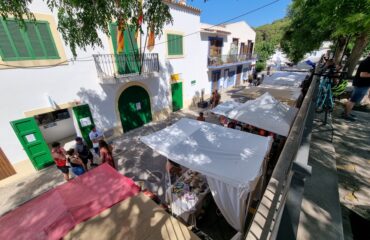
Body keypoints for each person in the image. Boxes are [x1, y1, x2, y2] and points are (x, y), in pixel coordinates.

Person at [343, 54, 370, 121]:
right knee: (353, 100)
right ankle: (346, 115)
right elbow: (362, 74)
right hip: (361, 84)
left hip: (361, 84)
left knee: (352, 100)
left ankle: (347, 112)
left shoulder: (367, 61)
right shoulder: (367, 62)